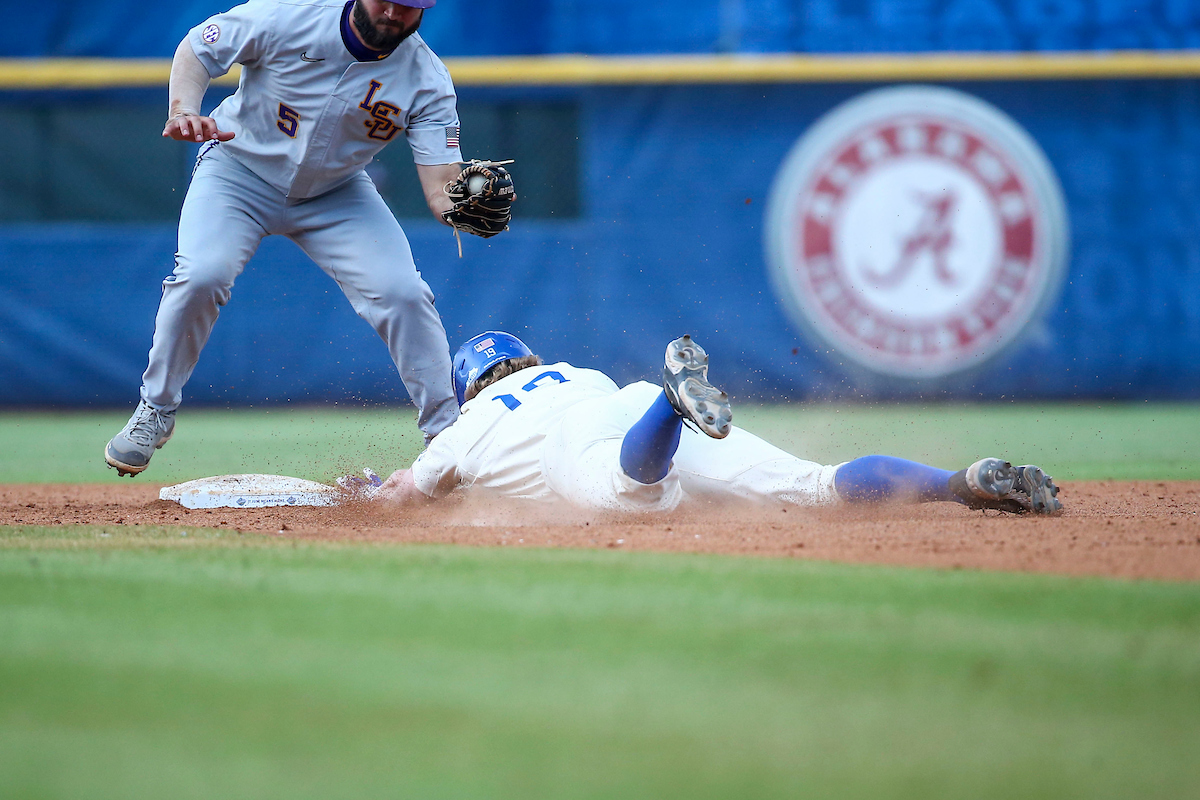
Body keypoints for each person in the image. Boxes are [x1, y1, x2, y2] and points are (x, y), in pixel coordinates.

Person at [105, 0, 501, 476]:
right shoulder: (288, 15)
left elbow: (441, 191)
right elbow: (197, 47)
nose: (395, 13)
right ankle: (156, 409)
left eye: (410, 7)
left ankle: (447, 437)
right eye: (387, 0)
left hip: (337, 192)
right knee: (201, 276)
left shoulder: (427, 79)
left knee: (403, 293)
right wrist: (184, 108)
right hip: (237, 169)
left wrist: (462, 206)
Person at [351, 332, 1063, 515]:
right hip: (618, 400)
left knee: (635, 501)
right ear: (524, 359)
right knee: (812, 486)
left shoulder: (465, 425)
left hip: (584, 443)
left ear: (467, 385)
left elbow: (403, 499)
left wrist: (367, 491)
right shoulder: (569, 371)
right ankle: (957, 483)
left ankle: (674, 402)